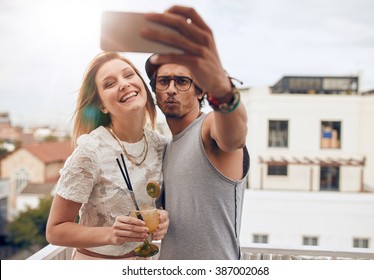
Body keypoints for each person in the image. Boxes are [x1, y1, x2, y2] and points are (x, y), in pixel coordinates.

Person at [143, 6, 250, 259]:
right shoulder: (168, 147)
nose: (171, 89)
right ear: (155, 90)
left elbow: (235, 137)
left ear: (201, 91)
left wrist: (223, 92)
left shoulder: (209, 127)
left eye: (182, 81)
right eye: (163, 81)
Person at [46, 52, 169, 260]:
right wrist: (111, 234)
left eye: (128, 75)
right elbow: (55, 230)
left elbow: (157, 203)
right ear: (102, 105)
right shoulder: (90, 151)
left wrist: (163, 217)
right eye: (110, 84)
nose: (123, 84)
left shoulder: (161, 145)